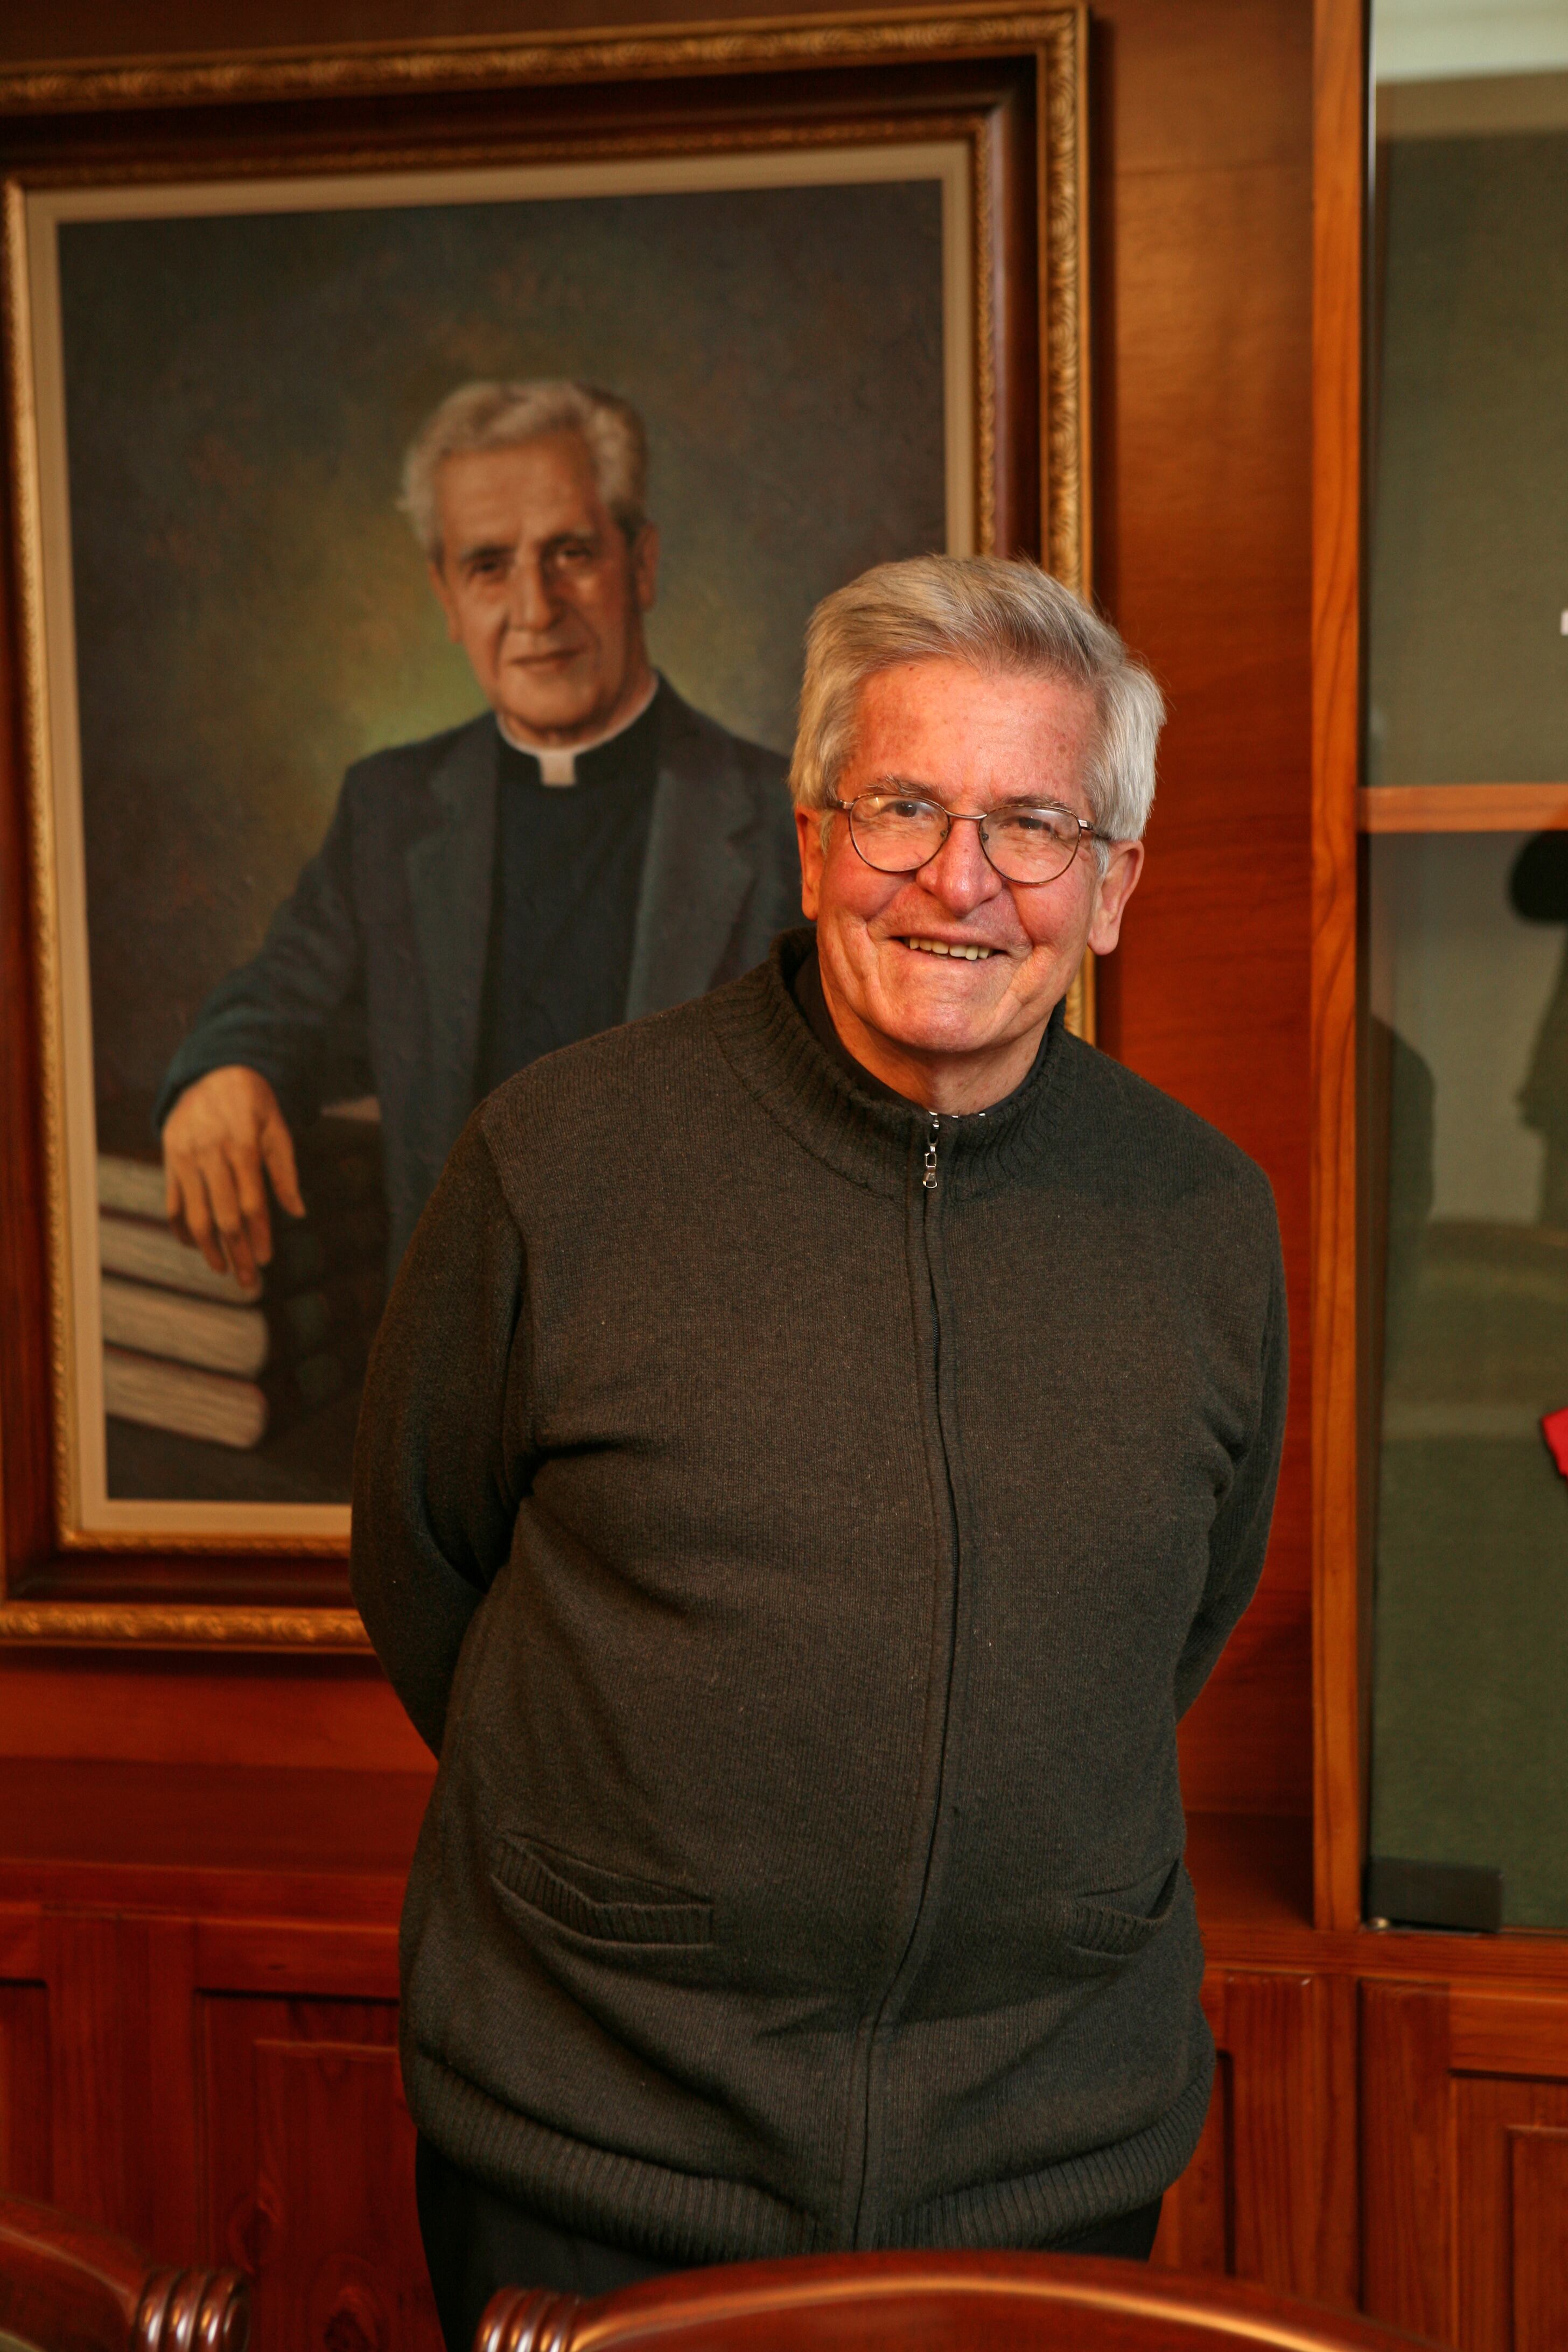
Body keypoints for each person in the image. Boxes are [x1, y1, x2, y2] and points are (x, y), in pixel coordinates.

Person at [351, 555, 1288, 2348]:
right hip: (597, 2158)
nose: (960, 879)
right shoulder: (561, 1159)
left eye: (1031, 823)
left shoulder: (1203, 1214)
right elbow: (424, 1564)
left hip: (1048, 2161)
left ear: (1111, 887)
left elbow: (1178, 1615)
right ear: (807, 838)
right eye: (906, 807)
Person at [156, 379, 798, 1288]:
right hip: (457, 1371)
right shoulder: (391, 809)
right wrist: (224, 1070)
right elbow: (282, 996)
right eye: (489, 565)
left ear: (641, 565)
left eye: (571, 552)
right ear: (448, 598)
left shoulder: (786, 820)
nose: (535, 609)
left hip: (698, 1370)